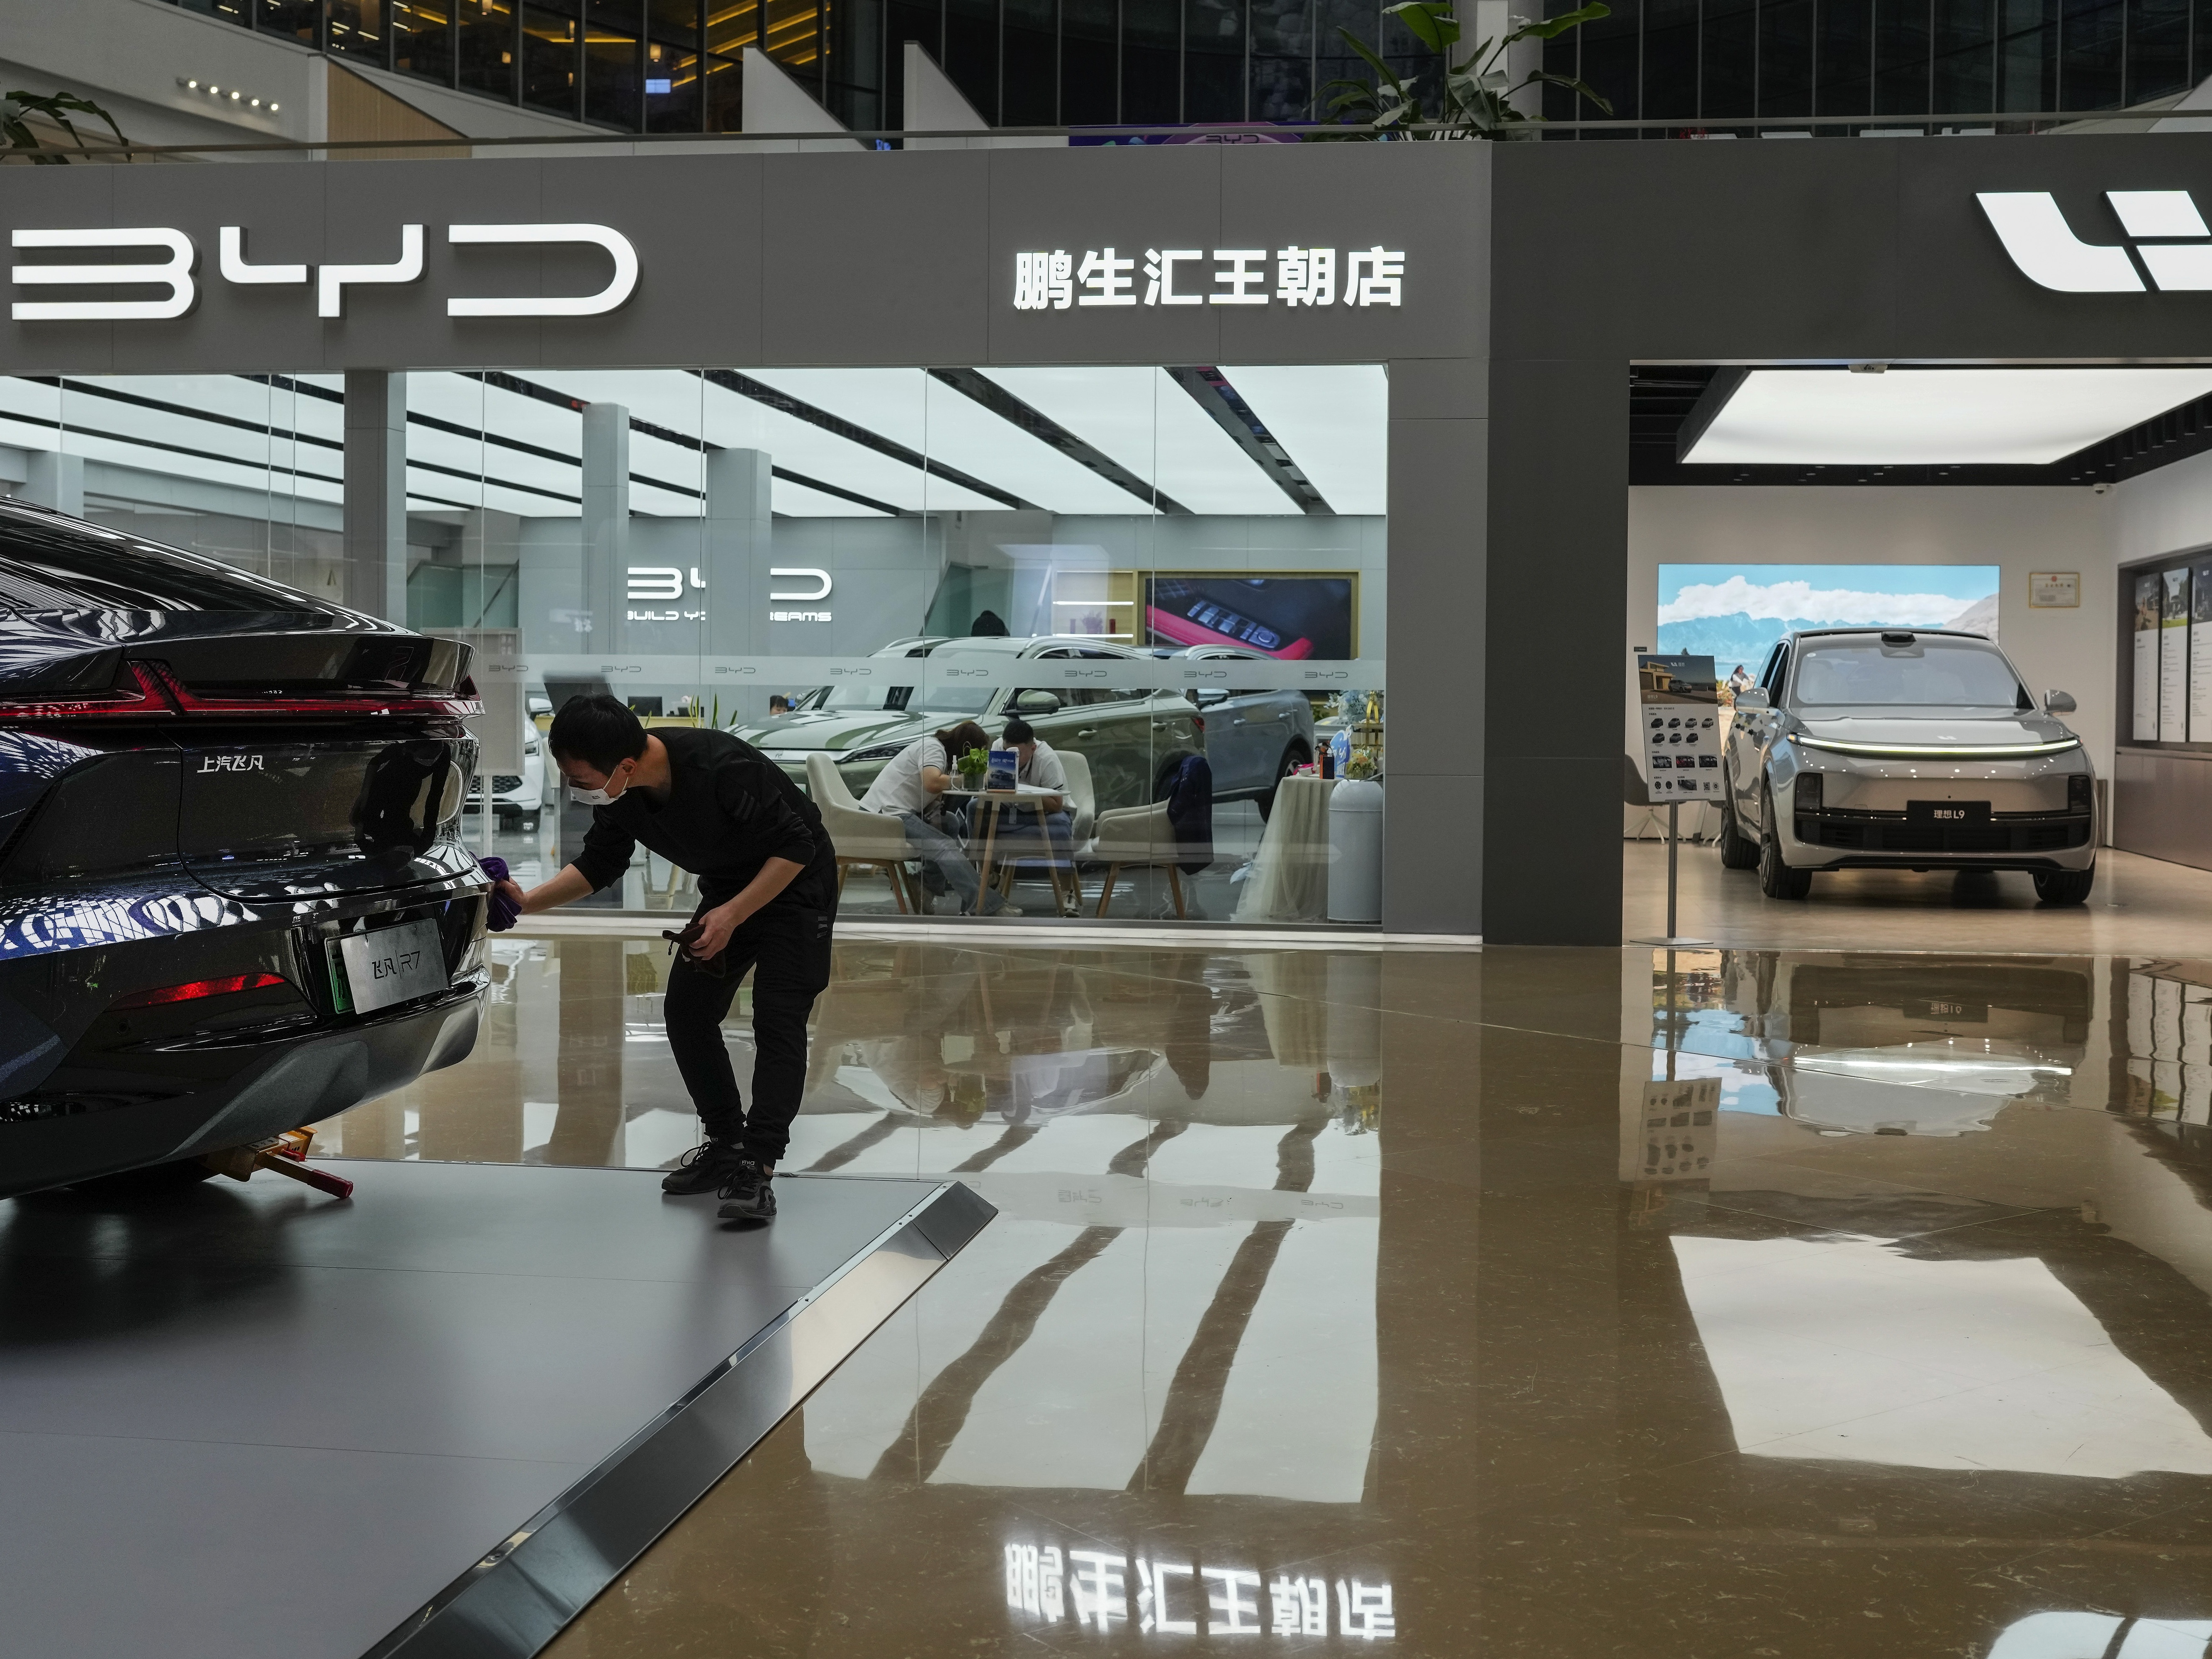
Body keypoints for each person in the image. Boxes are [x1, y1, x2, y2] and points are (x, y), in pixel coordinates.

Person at [492, 695, 838, 1224]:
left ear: (625, 765)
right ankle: (726, 1143)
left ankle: (758, 1165)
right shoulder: (623, 793)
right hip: (729, 891)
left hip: (795, 886)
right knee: (687, 1010)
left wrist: (732, 916)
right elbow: (599, 863)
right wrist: (526, 902)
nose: (574, 788)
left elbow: (797, 847)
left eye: (581, 778)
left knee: (777, 1017)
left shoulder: (721, 765)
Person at [859, 718, 1014, 916]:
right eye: (976, 753)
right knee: (944, 847)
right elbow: (932, 782)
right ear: (966, 748)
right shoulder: (933, 748)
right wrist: (971, 779)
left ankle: (924, 886)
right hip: (884, 816)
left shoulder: (940, 754)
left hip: (896, 812)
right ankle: (985, 905)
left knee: (950, 823)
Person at [992, 715, 1073, 879]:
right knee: (974, 808)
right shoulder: (998, 747)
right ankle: (989, 875)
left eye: (1019, 754)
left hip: (1042, 816)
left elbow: (1057, 805)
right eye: (1009, 752)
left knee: (1061, 824)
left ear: (1033, 749)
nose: (1013, 759)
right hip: (1010, 812)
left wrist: (1023, 793)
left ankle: (1066, 890)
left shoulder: (1046, 759)